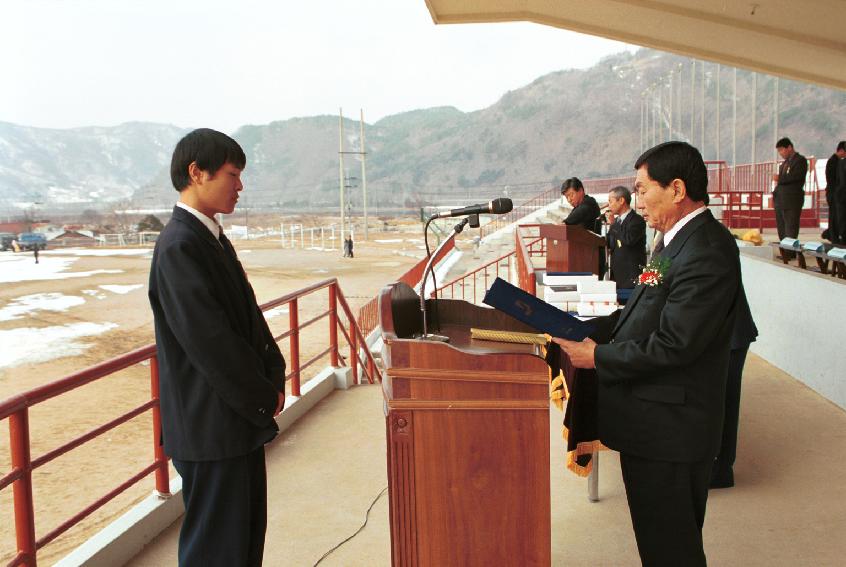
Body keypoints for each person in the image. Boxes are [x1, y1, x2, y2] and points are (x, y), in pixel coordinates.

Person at [554, 141, 741, 566]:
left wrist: (597, 358)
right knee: (661, 544)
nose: (636, 200)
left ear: (676, 189)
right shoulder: (674, 244)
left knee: (671, 549)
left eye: (642, 189)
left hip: (672, 431)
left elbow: (676, 344)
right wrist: (576, 329)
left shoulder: (705, 250)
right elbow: (640, 313)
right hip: (653, 425)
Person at [148, 128, 286, 566]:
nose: (240, 186)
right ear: (197, 172)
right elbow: (212, 343)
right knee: (216, 550)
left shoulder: (209, 237)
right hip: (210, 428)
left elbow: (245, 320)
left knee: (243, 541)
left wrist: (273, 375)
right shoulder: (179, 246)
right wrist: (265, 396)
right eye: (232, 174)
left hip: (233, 422)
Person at [711, 285, 758, 489]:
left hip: (729, 334)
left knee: (726, 401)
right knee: (720, 401)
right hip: (721, 333)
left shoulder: (715, 252)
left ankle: (722, 469)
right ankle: (718, 466)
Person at [772, 137, 808, 258]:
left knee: (790, 227)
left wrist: (779, 178)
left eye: (782, 150)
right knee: (781, 227)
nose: (781, 153)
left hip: (792, 199)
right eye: (779, 151)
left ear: (789, 147)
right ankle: (785, 250)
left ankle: (790, 252)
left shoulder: (800, 161)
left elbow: (797, 177)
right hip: (780, 200)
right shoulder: (784, 164)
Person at [605, 185, 646, 288]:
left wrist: (613, 224)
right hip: (616, 276)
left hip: (630, 277)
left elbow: (628, 240)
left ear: (621, 200)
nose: (608, 205)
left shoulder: (636, 220)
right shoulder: (617, 222)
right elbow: (611, 244)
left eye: (610, 201)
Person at [823, 142, 845, 243]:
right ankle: (833, 236)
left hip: (834, 194)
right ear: (841, 151)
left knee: (835, 218)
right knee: (834, 218)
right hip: (834, 194)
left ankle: (833, 235)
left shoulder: (835, 161)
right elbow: (833, 181)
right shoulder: (834, 161)